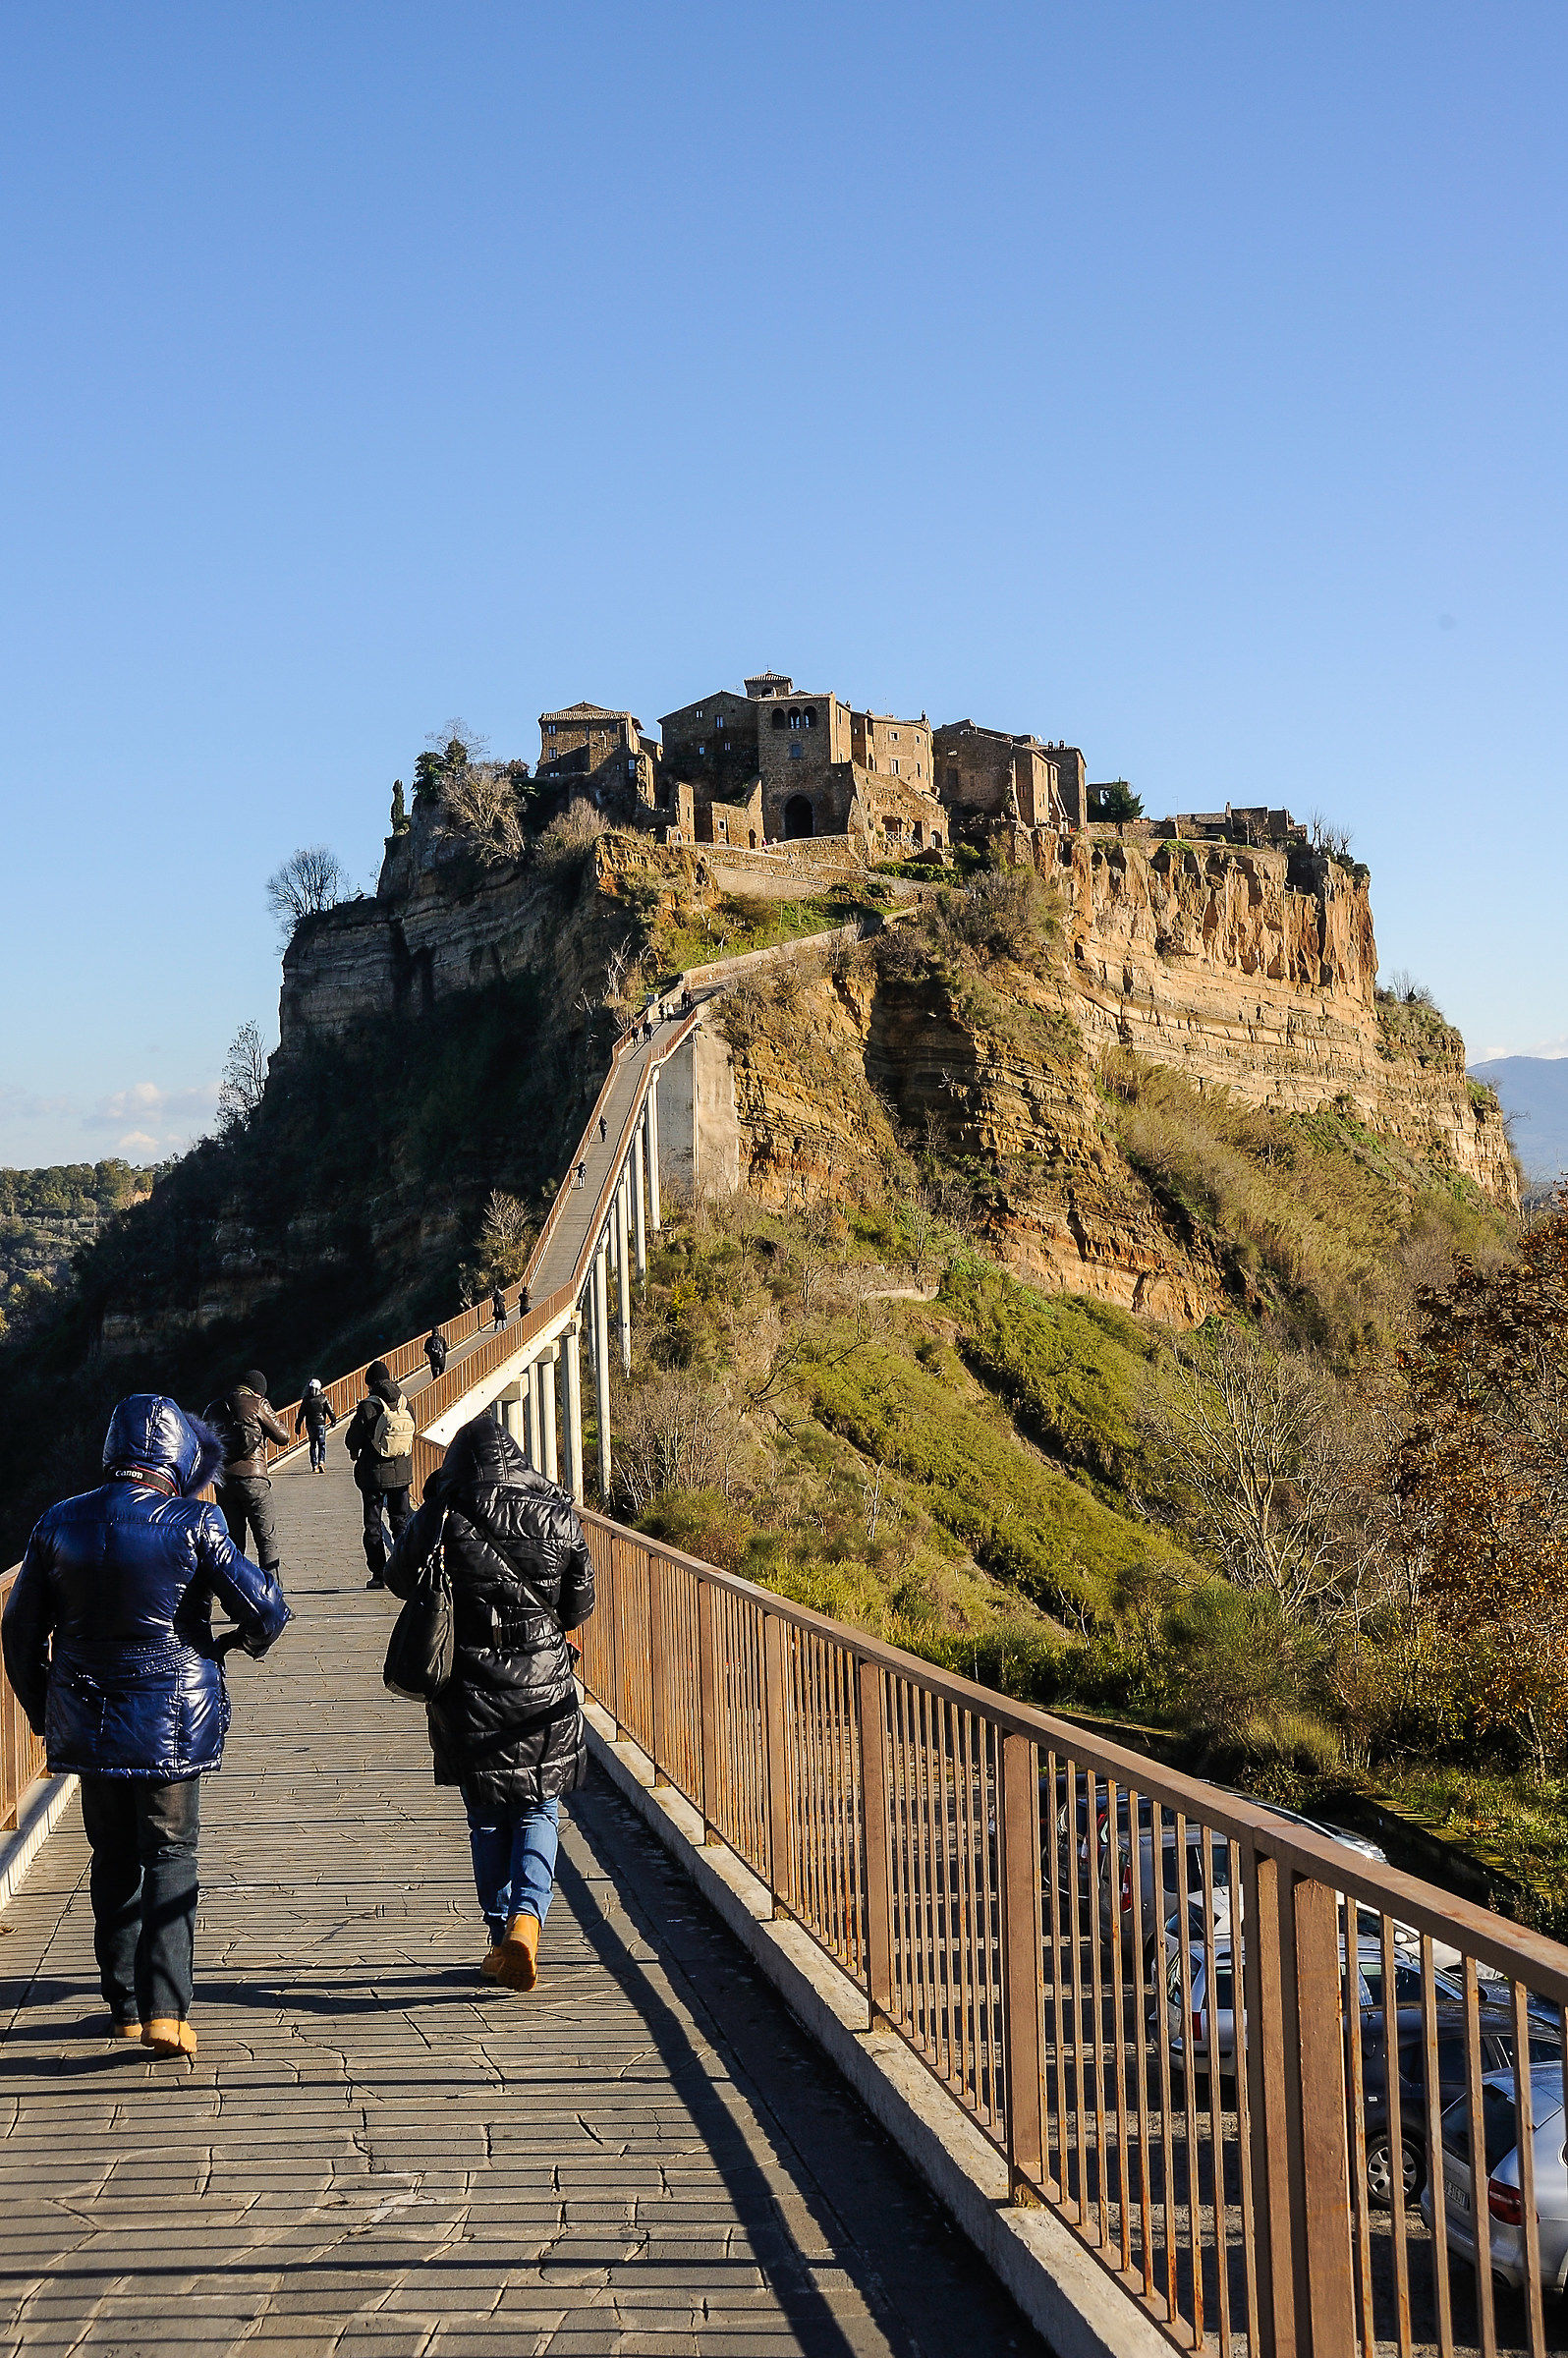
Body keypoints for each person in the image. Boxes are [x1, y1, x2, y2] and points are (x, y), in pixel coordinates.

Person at [1, 1396, 290, 2055]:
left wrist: (43, 1705)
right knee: (169, 1855)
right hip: (171, 1721)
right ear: (174, 1455)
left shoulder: (57, 1523)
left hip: (89, 1719)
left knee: (112, 1857)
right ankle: (167, 2009)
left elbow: (19, 1631)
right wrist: (244, 1639)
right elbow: (264, 1612)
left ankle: (126, 2006)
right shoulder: (194, 1521)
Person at [385, 1412, 593, 1993]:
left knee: (485, 1816)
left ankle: (501, 1931)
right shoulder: (556, 1510)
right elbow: (578, 1607)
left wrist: (433, 1503)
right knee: (538, 1807)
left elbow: (400, 1577)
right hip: (543, 1678)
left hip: (469, 1683)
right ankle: (529, 1919)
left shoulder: (447, 1509)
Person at [203, 1370, 290, 1575]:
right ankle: (272, 1597)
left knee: (232, 1544)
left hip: (224, 1484)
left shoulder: (214, 1408)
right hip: (254, 1479)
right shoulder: (257, 1404)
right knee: (266, 1541)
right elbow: (283, 1437)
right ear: (258, 1390)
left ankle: (235, 1595)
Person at [345, 1362, 416, 1589]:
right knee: (400, 1522)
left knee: (373, 1525)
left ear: (370, 1384)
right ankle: (406, 1570)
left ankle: (379, 1575)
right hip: (402, 1473)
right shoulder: (405, 1402)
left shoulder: (369, 1406)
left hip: (373, 1476)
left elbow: (352, 1439)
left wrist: (356, 1449)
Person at [294, 1378, 337, 1473]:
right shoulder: (323, 1398)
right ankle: (321, 1462)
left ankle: (314, 1465)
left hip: (310, 1425)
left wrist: (297, 1426)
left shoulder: (306, 1399)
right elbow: (331, 1411)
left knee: (313, 1445)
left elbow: (301, 1414)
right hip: (321, 1424)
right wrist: (333, 1421)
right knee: (322, 1444)